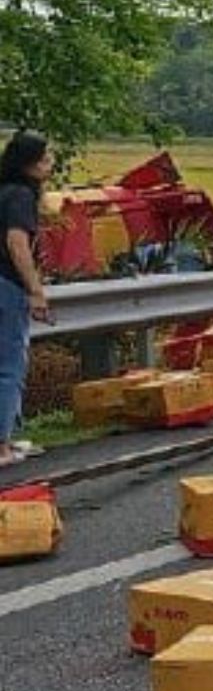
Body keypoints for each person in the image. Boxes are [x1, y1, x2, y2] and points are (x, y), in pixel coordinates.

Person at [1, 129, 56, 466]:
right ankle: (2, 445)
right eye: (46, 158)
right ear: (29, 164)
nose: (50, 164)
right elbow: (16, 242)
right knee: (9, 365)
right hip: (7, 284)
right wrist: (35, 290)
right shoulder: (21, 195)